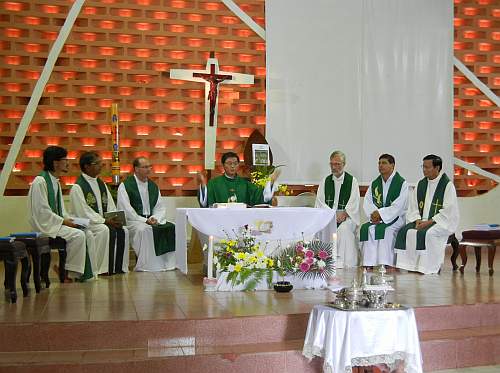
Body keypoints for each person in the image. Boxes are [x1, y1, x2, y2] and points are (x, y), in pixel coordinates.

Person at [28, 146, 96, 281]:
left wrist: (73, 221)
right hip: (45, 225)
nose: (68, 163)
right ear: (55, 163)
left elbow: (61, 211)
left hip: (55, 223)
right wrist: (65, 222)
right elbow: (42, 211)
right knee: (78, 235)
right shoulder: (40, 182)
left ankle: (81, 272)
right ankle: (70, 274)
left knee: (87, 232)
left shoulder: (56, 182)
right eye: (65, 160)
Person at [395, 155, 459, 274]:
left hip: (440, 222)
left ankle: (429, 267)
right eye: (423, 167)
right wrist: (417, 219)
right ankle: (412, 265)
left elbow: (448, 210)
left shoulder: (447, 185)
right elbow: (413, 205)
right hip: (422, 220)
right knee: (405, 231)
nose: (424, 170)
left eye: (427, 167)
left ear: (437, 168)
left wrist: (429, 222)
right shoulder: (421, 184)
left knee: (429, 234)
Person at [70, 152, 129, 275]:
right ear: (86, 166)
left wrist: (115, 218)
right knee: (103, 230)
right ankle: (101, 268)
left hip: (99, 220)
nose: (101, 166)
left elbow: (111, 205)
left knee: (124, 230)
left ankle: (118, 267)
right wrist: (105, 221)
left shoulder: (101, 184)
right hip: (84, 222)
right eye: (97, 163)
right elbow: (83, 212)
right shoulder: (78, 187)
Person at [117, 157, 175, 271]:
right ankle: (147, 265)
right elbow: (126, 209)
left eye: (150, 166)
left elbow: (160, 207)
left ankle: (167, 264)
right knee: (144, 230)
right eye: (145, 167)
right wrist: (144, 220)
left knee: (172, 226)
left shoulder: (153, 186)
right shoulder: (126, 186)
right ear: (136, 169)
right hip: (133, 221)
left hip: (151, 220)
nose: (149, 169)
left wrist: (154, 218)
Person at [360, 154, 408, 269]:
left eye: (384, 163)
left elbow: (399, 206)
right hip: (377, 219)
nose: (381, 165)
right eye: (379, 163)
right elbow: (368, 201)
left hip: (395, 218)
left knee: (386, 230)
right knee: (367, 229)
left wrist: (381, 214)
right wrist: (374, 215)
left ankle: (386, 262)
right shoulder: (375, 183)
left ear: (392, 165)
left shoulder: (402, 183)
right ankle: (369, 262)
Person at [315, 150, 360, 267]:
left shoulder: (352, 181)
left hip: (346, 217)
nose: (334, 167)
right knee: (320, 229)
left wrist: (344, 213)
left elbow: (354, 201)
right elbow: (320, 202)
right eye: (332, 164)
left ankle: (345, 263)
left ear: (344, 164)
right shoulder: (325, 181)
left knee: (344, 230)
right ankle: (325, 261)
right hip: (329, 217)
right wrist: (331, 215)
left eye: (337, 164)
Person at [197, 151, 279, 207]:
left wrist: (271, 183)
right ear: (223, 165)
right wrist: (203, 184)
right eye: (229, 163)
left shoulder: (245, 184)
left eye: (235, 163)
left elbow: (260, 196)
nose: (232, 166)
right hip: (220, 220)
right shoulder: (213, 183)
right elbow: (206, 203)